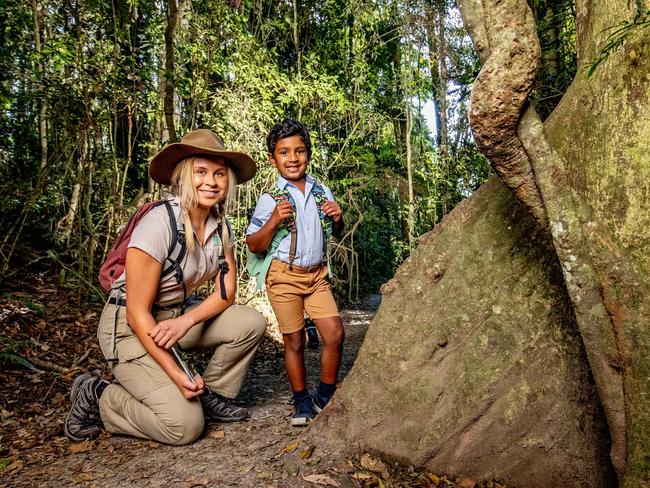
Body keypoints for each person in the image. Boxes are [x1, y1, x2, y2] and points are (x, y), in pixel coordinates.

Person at [64, 129, 267, 445]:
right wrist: (177, 375)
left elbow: (226, 291)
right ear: (183, 176)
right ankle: (98, 397)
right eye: (201, 172)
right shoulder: (160, 222)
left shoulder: (220, 225)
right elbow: (136, 315)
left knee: (250, 322)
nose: (211, 182)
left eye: (219, 174)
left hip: (173, 320)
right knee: (184, 427)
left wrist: (186, 321)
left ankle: (208, 393)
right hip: (130, 328)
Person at [246, 119, 344, 426]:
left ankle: (325, 397)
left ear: (309, 154)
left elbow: (334, 230)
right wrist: (274, 219)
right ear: (272, 159)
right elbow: (254, 243)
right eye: (284, 152)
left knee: (335, 334)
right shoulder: (269, 199)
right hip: (283, 276)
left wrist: (338, 217)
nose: (292, 158)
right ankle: (301, 402)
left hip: (316, 276)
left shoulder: (320, 190)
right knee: (295, 341)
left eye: (299, 151)